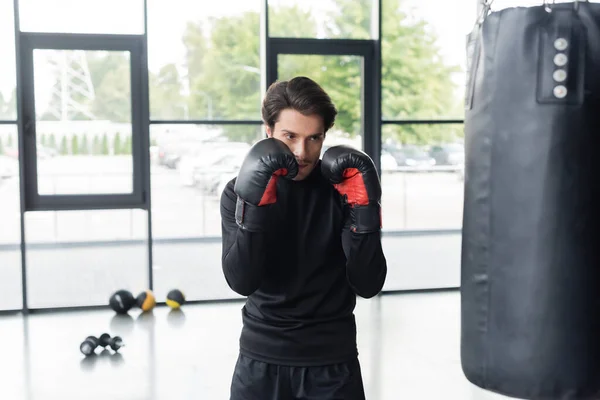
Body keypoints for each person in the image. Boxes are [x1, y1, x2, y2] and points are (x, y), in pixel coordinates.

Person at [220, 76, 387, 400]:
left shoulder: (343, 190)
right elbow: (242, 280)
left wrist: (365, 212)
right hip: (260, 361)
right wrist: (255, 208)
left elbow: (368, 284)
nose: (302, 151)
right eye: (289, 136)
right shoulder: (238, 192)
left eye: (314, 138)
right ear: (268, 131)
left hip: (332, 364)